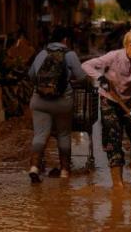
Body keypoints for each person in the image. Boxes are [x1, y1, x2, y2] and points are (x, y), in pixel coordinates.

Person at [81, 26, 131, 188]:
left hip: (128, 100)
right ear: (130, 46)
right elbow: (86, 65)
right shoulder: (113, 57)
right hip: (109, 100)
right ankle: (118, 182)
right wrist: (101, 78)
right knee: (113, 139)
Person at [27, 26, 86, 183]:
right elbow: (81, 77)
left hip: (39, 100)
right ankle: (65, 171)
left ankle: (34, 167)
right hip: (62, 102)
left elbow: (31, 76)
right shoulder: (70, 54)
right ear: (65, 40)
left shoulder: (41, 53)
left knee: (40, 134)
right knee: (64, 134)